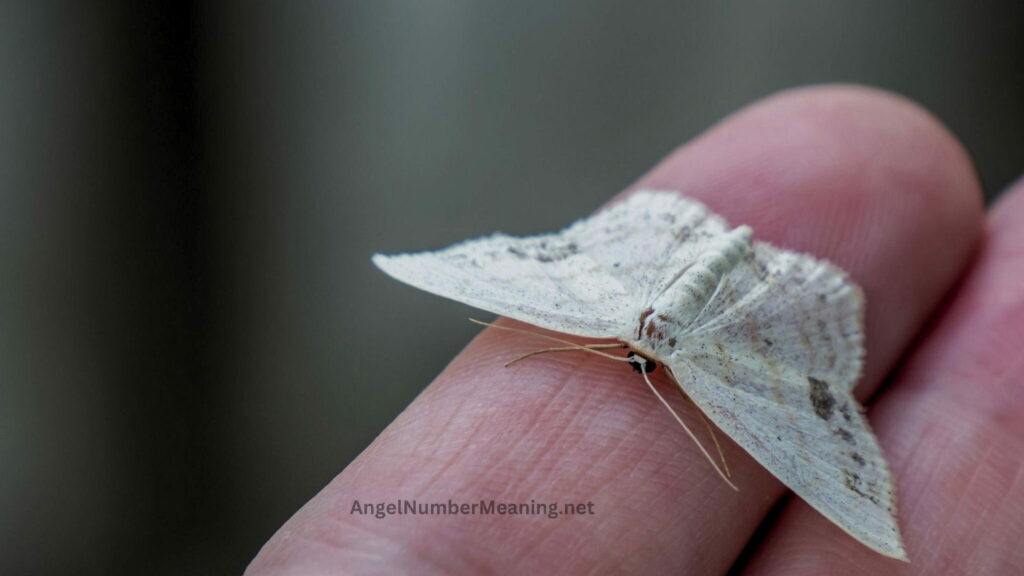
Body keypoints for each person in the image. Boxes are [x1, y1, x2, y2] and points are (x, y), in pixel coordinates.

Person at [247, 85, 1024, 574]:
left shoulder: (674, 357)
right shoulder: (646, 346)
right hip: (695, 285)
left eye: (643, 361)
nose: (640, 359)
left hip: (667, 262)